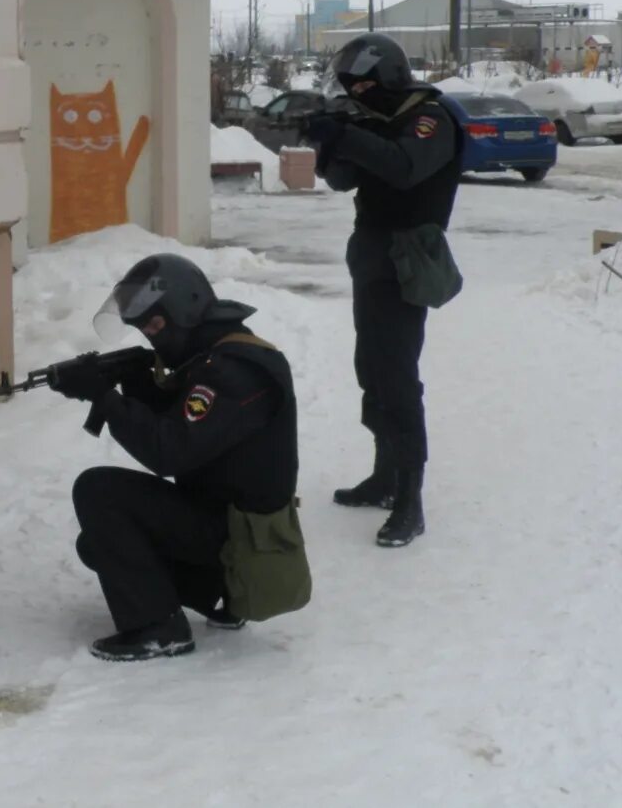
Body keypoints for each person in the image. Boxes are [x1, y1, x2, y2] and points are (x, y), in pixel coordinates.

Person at [51, 254, 301, 661]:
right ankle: (216, 596)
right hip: (228, 527)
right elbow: (188, 428)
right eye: (143, 328)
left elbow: (169, 452)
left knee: (98, 490)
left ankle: (159, 628)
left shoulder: (235, 370)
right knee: (97, 545)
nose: (150, 337)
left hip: (247, 544)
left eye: (154, 324)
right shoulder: (210, 356)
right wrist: (136, 385)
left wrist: (105, 399)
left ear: (186, 305)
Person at [302, 34, 461, 548]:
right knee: (371, 370)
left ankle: (410, 500)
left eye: (363, 85)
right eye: (351, 88)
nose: (358, 94)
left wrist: (348, 135)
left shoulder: (430, 118)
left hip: (409, 261)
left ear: (389, 76)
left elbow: (403, 166)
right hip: (371, 257)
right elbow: (343, 180)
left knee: (397, 377)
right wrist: (330, 139)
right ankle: (384, 477)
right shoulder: (378, 120)